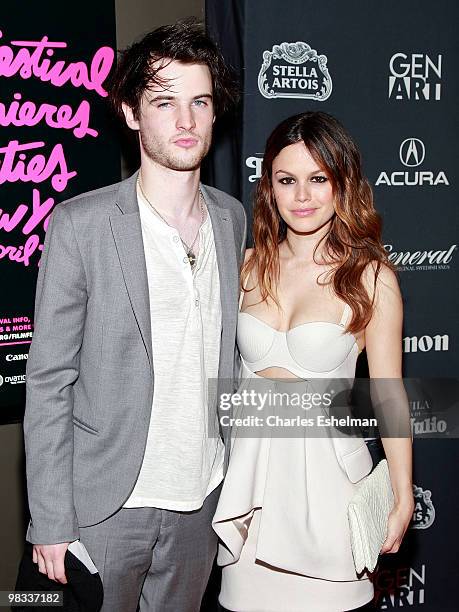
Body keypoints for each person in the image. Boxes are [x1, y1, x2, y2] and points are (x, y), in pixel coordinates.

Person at [23, 18, 246, 612]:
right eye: (164, 102)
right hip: (105, 505)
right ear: (129, 112)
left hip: (202, 501)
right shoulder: (80, 225)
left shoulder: (232, 220)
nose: (185, 121)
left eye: (200, 101)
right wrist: (50, 519)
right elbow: (49, 382)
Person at [212, 111, 414, 612]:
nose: (302, 196)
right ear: (270, 188)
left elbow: (389, 392)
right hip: (250, 492)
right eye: (287, 180)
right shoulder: (246, 266)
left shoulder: (371, 278)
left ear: (342, 184)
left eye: (317, 179)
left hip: (331, 491)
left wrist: (402, 493)